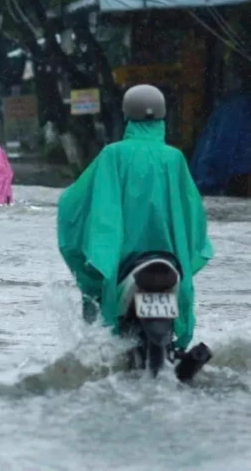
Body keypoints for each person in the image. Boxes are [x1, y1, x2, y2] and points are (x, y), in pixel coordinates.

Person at [57, 84, 213, 351]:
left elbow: (76, 203)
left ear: (127, 115)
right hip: (169, 259)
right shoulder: (174, 158)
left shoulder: (113, 154)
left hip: (124, 262)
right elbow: (193, 214)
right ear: (163, 116)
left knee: (98, 300)